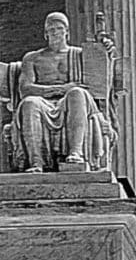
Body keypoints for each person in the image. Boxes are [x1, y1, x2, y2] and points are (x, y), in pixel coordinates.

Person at [11, 13, 113, 174]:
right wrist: (59, 89)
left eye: (59, 28)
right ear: (45, 34)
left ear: (67, 32)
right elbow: (25, 89)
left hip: (71, 101)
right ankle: (36, 161)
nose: (55, 32)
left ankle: (76, 152)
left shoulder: (81, 55)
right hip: (43, 101)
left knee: (77, 93)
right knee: (29, 103)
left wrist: (105, 51)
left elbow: (101, 77)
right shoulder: (32, 58)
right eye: (51, 29)